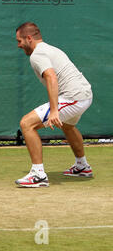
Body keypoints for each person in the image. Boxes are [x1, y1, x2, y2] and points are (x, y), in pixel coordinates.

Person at [15, 22, 93, 188]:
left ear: (29, 38)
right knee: (68, 126)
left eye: (19, 41)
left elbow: (51, 77)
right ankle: (82, 167)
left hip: (74, 96)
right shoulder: (51, 48)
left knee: (26, 124)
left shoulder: (37, 54)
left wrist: (54, 111)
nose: (18, 45)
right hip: (84, 94)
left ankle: (38, 175)